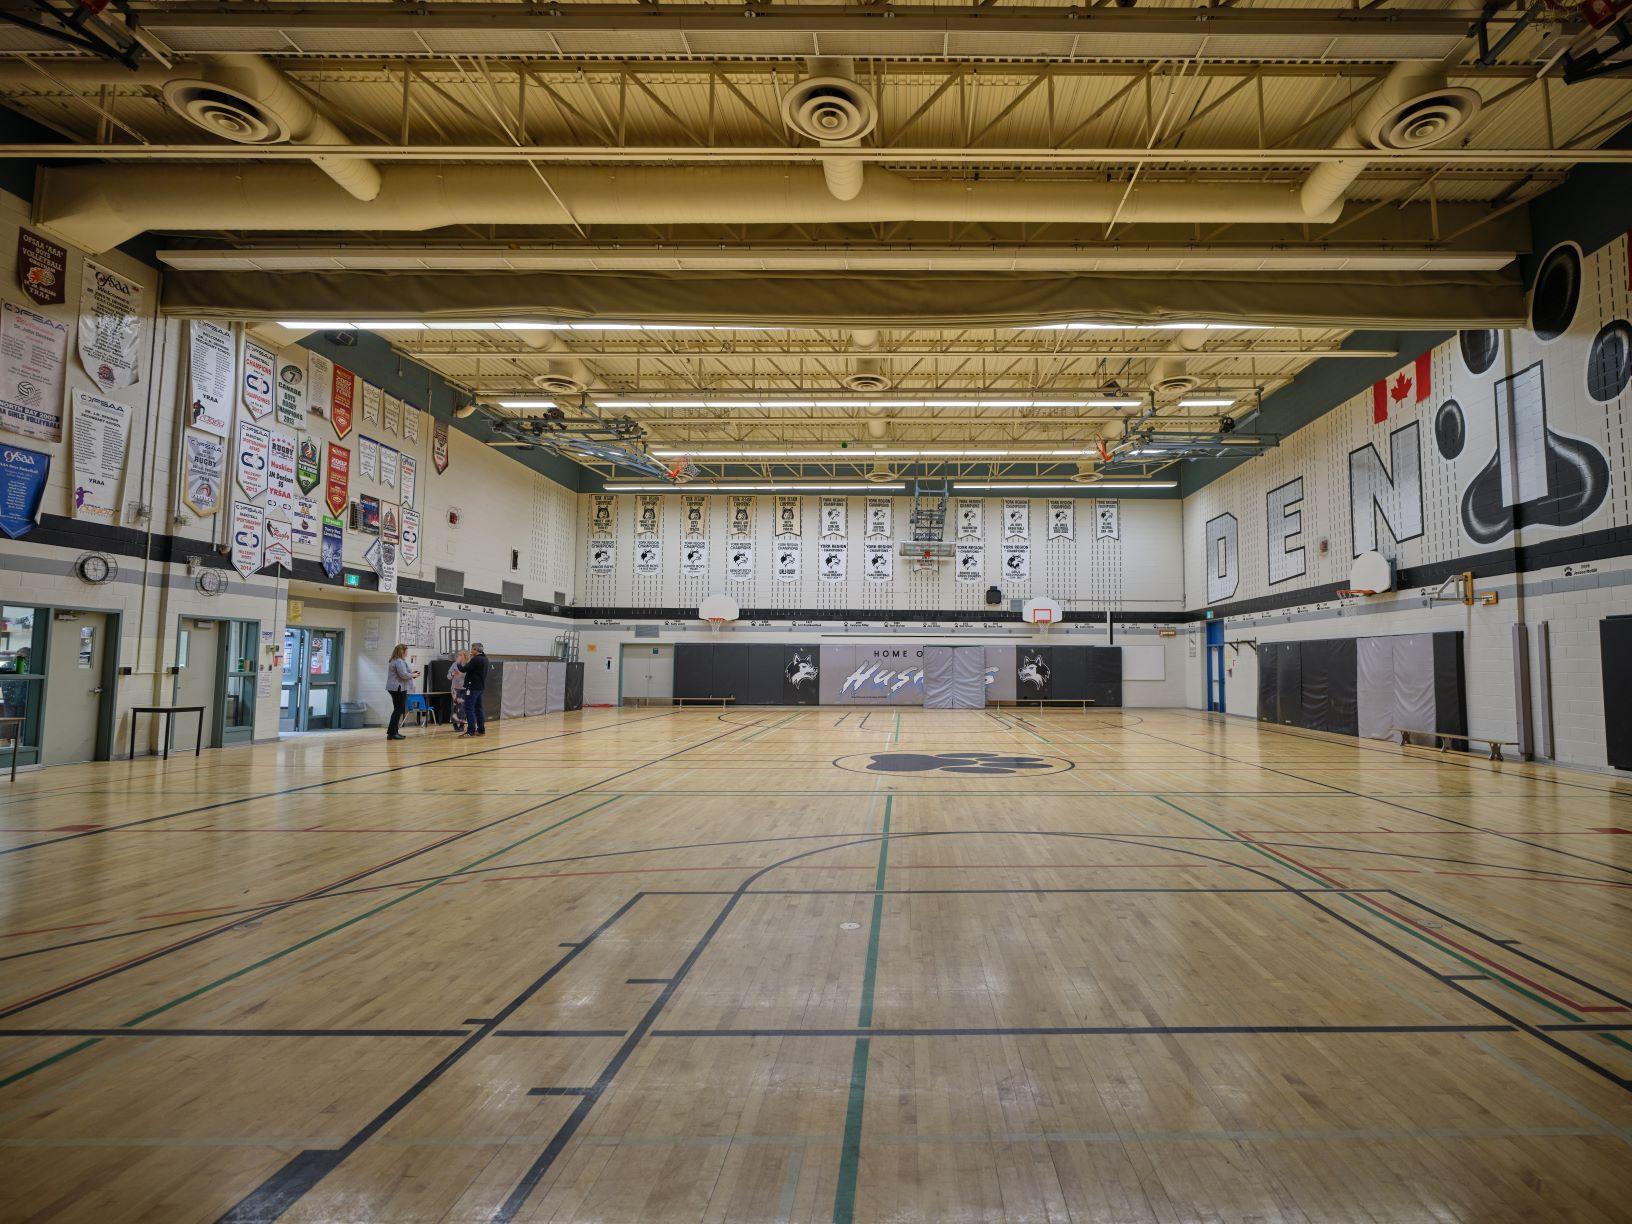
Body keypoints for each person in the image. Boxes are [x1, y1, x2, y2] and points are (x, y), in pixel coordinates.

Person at [385, 644, 419, 741]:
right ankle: (392, 732)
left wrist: (412, 674)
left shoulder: (395, 660)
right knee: (398, 710)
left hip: (394, 688)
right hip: (398, 688)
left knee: (397, 709)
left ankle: (393, 732)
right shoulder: (399, 661)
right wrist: (413, 675)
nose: (407, 653)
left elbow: (404, 674)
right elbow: (403, 675)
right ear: (402, 651)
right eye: (406, 651)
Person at [460, 643, 489, 737]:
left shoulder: (476, 659)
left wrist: (459, 662)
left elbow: (464, 669)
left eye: (472, 649)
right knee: (478, 709)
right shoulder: (485, 659)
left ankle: (471, 731)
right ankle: (481, 730)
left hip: (472, 688)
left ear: (476, 650)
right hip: (480, 687)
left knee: (469, 708)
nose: (471, 651)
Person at [447, 650, 468, 732]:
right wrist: (452, 674)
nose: (459, 656)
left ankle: (462, 725)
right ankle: (455, 724)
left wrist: (461, 673)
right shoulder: (454, 664)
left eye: (460, 655)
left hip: (464, 689)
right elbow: (448, 676)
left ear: (465, 656)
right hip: (455, 689)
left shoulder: (468, 665)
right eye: (458, 655)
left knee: (462, 707)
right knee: (455, 706)